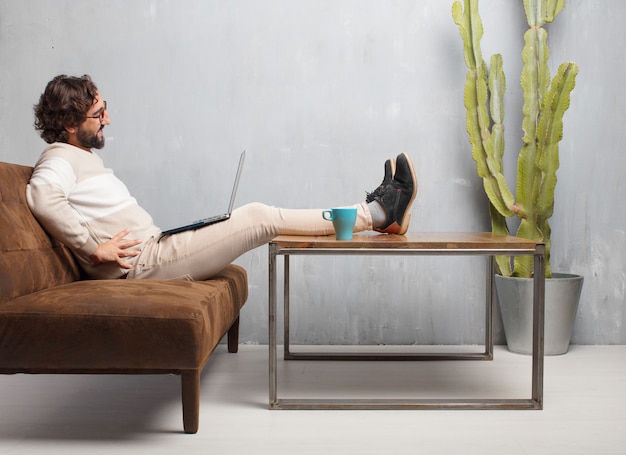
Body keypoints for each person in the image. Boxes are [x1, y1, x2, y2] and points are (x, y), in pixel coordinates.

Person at [27, 74, 417, 281]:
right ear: (68, 123)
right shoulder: (59, 157)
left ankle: (383, 214)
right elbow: (42, 196)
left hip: (158, 246)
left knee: (256, 215)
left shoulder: (79, 156)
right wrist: (93, 249)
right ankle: (378, 213)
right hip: (143, 264)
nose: (107, 119)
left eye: (105, 108)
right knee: (260, 216)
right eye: (98, 114)